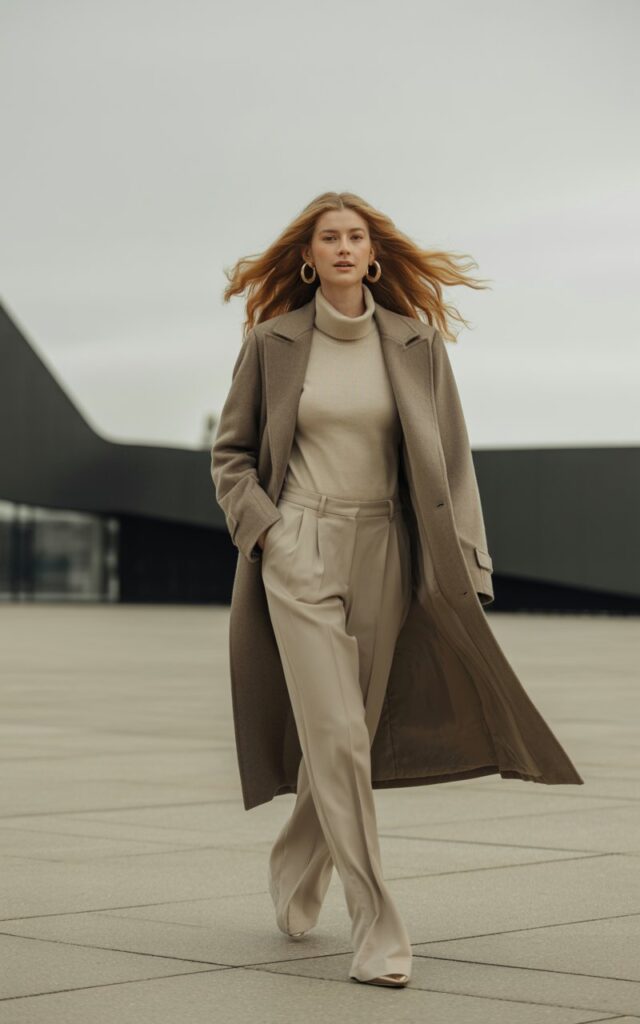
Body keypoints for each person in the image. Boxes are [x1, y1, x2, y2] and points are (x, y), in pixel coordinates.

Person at [211, 191, 583, 989]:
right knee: (338, 731)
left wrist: (469, 563)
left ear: (373, 255)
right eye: (329, 238)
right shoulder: (272, 343)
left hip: (387, 547)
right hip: (299, 545)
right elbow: (231, 455)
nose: (344, 248)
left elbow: (452, 460)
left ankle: (295, 858)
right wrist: (270, 534)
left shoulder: (417, 344)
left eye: (356, 237)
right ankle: (376, 923)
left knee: (352, 730)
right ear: (308, 257)